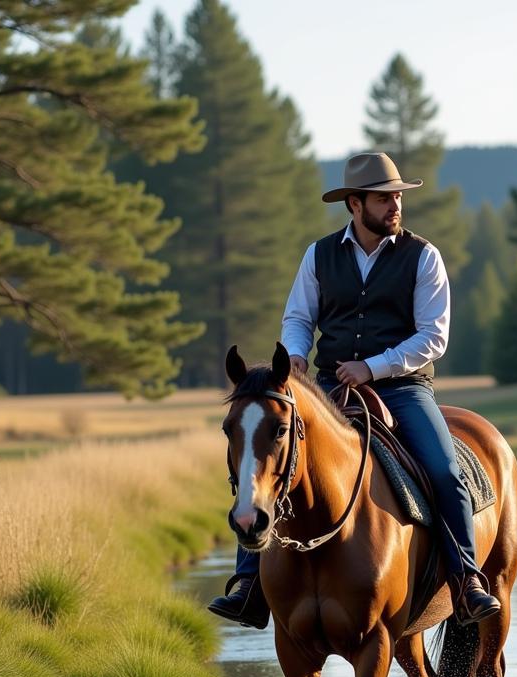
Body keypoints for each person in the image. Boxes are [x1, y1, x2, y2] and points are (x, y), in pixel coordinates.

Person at [208, 151, 501, 628]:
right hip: (327, 390)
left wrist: (373, 367)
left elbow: (434, 336)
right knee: (271, 464)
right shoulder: (319, 255)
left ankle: (467, 581)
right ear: (354, 204)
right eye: (384, 198)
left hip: (404, 387)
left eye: (398, 196)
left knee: (446, 472)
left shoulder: (423, 256)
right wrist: (297, 354)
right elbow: (299, 318)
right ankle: (249, 585)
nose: (395, 205)